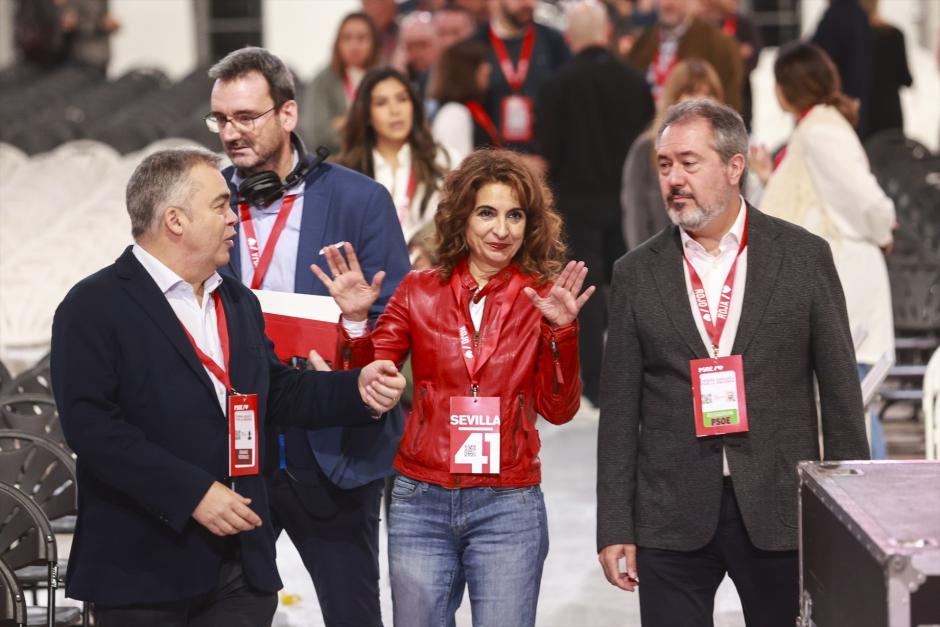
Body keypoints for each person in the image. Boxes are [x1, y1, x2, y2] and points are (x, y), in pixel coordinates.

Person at [49, 148, 405, 626]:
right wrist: (193, 493)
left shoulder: (235, 300)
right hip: (144, 570)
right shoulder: (92, 305)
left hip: (239, 568)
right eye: (219, 205)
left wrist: (354, 388)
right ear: (175, 220)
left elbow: (276, 390)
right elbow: (92, 429)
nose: (234, 215)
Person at [596, 99, 870, 627]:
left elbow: (840, 400)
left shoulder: (803, 257)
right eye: (665, 164)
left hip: (779, 510)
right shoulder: (635, 273)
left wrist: (846, 517)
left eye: (689, 162)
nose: (674, 178)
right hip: (669, 513)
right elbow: (619, 414)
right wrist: (614, 524)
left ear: (734, 166)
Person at [313, 149, 594, 627]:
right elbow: (371, 385)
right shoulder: (418, 290)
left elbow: (560, 409)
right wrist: (357, 323)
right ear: (461, 217)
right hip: (420, 500)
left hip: (508, 502)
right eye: (487, 213)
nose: (501, 230)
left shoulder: (544, 298)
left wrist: (562, 334)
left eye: (514, 215)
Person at [207, 47, 411, 627]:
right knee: (230, 613)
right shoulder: (208, 202)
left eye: (247, 117)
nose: (232, 133)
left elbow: (398, 323)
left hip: (334, 448)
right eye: (221, 119)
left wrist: (356, 327)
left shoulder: (359, 200)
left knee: (353, 616)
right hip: (237, 454)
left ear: (289, 114)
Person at [759, 42, 895, 458]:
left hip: (848, 278)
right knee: (848, 399)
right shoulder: (815, 127)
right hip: (837, 277)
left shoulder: (821, 132)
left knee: (855, 400)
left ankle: (875, 512)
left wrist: (885, 227)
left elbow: (867, 200)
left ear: (788, 87)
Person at [535, 0, 653, 408]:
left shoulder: (555, 84)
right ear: (607, 34)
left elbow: (543, 154)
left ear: (569, 39)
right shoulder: (636, 81)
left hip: (574, 205)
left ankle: (595, 386)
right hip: (627, 203)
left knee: (584, 297)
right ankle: (636, 377)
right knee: (631, 290)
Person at [338, 67, 458, 244]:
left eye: (402, 99)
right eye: (381, 103)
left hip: (431, 267)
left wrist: (427, 249)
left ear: (414, 106)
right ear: (367, 115)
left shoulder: (444, 159)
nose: (395, 110)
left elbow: (462, 217)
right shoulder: (346, 172)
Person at [621, 59, 725, 251]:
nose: (702, 100)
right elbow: (636, 218)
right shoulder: (646, 149)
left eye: (710, 93)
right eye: (692, 92)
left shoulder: (725, 150)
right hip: (660, 267)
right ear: (674, 98)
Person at [472, 0, 570, 155]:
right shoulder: (476, 44)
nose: (526, 4)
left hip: (545, 163)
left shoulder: (554, 43)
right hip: (491, 160)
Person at [626, 0, 742, 112]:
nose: (668, 3)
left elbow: (731, 106)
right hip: (648, 128)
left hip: (695, 128)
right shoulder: (641, 43)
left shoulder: (719, 45)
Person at [303, 12, 380, 156]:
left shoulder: (382, 78)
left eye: (362, 38)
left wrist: (342, 122)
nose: (354, 45)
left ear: (374, 42)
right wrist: (363, 120)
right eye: (347, 38)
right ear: (337, 43)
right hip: (337, 163)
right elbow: (318, 134)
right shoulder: (322, 81)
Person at [811, 0, 873, 138]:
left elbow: (817, 59)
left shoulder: (834, 16)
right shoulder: (861, 14)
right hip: (857, 102)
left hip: (837, 105)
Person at [698, 0, 762, 131]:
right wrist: (738, 51)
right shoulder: (704, 24)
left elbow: (754, 55)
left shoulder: (743, 24)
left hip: (740, 98)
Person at [859, 0, 913, 136]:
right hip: (889, 114)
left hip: (861, 113)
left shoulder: (851, 37)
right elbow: (906, 79)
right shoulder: (894, 34)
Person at [429, 39, 492, 155]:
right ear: (467, 71)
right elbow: (454, 168)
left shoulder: (471, 109)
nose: (488, 69)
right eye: (481, 63)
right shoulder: (453, 114)